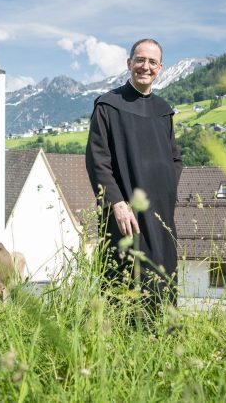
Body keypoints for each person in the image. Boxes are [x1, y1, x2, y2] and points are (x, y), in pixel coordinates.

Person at [85, 38, 183, 309]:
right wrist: (116, 202)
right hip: (124, 215)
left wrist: (165, 193)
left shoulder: (164, 111)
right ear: (129, 64)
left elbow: (175, 159)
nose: (145, 66)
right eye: (140, 60)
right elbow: (98, 161)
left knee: (162, 285)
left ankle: (161, 345)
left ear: (160, 68)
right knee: (124, 286)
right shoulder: (107, 106)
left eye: (152, 62)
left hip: (160, 214)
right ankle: (121, 347)